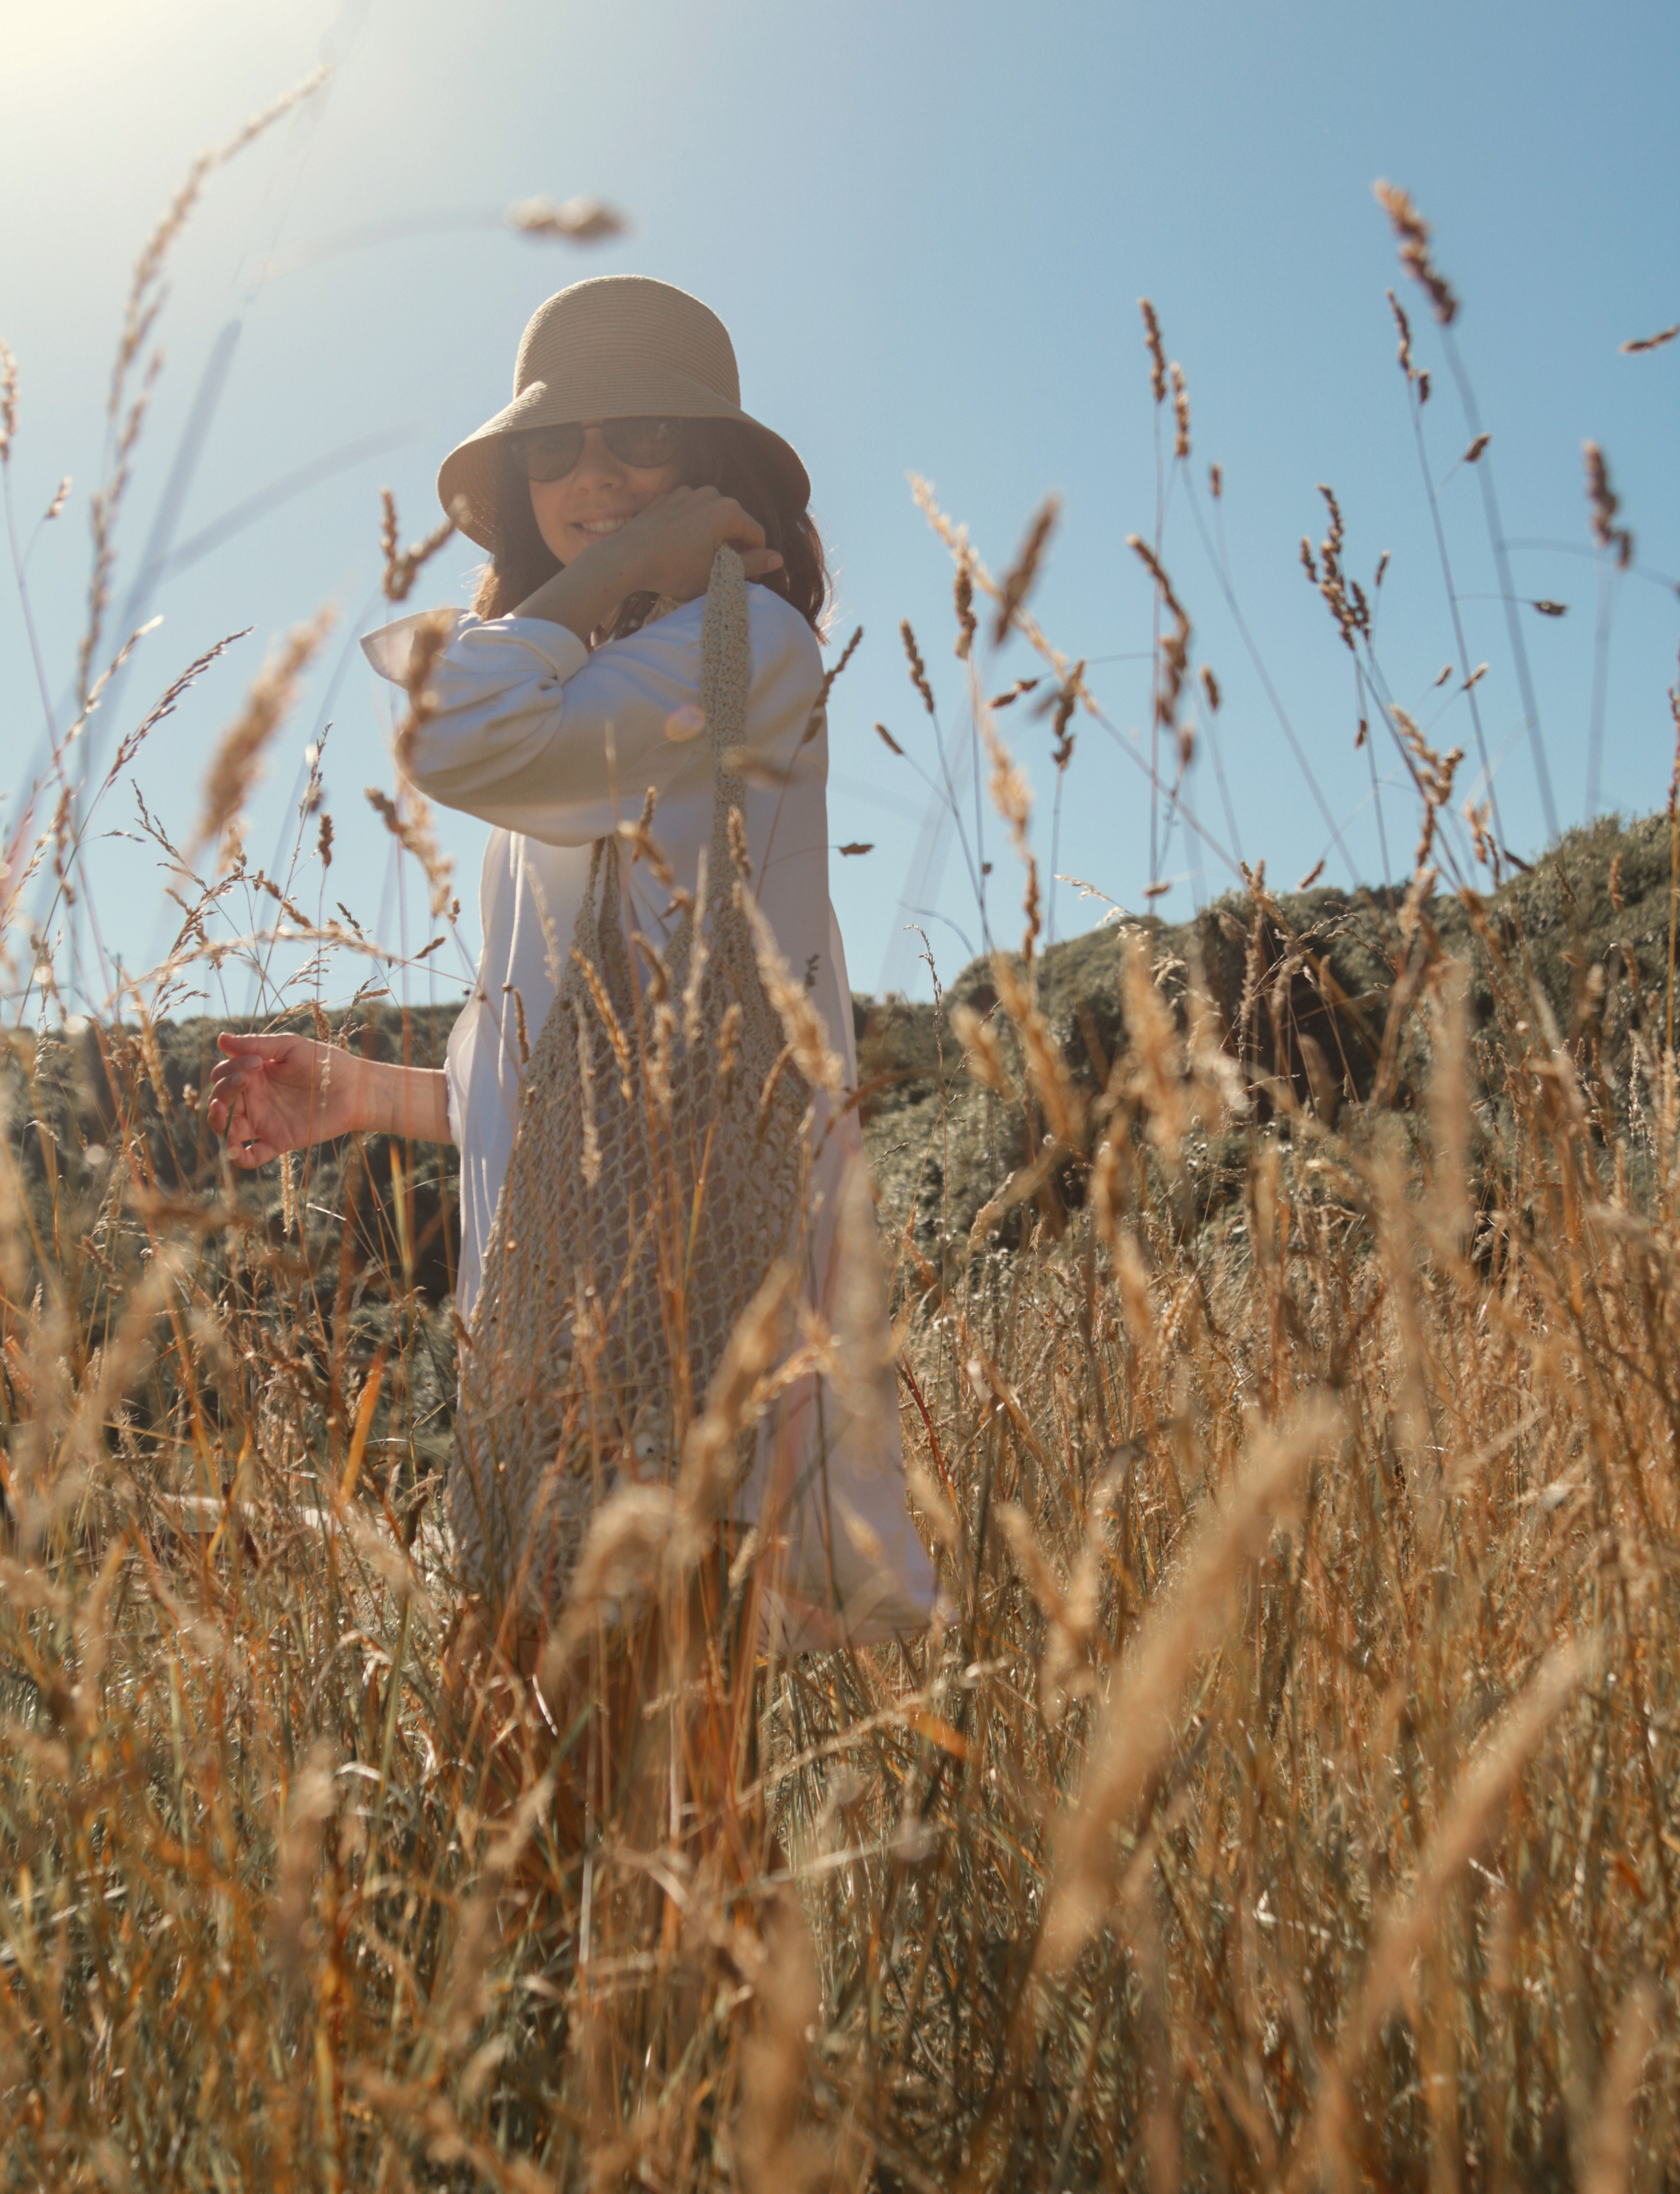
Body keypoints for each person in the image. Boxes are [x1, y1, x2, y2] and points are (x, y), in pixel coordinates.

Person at [209, 274, 935, 1659]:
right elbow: (566, 1074)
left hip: (678, 1333)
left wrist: (608, 568)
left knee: (617, 1799)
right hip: (573, 1329)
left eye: (640, 440)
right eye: (557, 449)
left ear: (711, 470)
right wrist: (365, 1092)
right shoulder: (594, 681)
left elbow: (452, 739)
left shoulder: (741, 649)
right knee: (589, 1819)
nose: (592, 476)